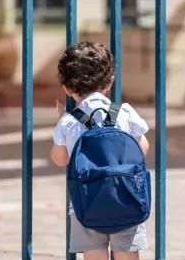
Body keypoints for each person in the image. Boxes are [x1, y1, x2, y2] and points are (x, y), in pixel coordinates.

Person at [51, 41, 150, 260]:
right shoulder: (124, 112)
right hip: (127, 196)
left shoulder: (68, 122)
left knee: (94, 254)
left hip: (86, 201)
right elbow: (142, 148)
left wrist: (61, 125)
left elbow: (60, 159)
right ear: (109, 82)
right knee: (127, 253)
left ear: (67, 88)